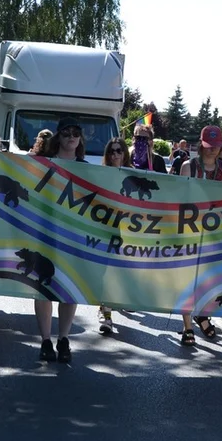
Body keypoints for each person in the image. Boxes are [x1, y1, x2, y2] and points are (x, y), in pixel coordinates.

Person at [34, 117, 87, 361]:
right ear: (58, 136)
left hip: (73, 237)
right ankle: (45, 340)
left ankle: (63, 338)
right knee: (43, 287)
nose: (71, 136)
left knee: (69, 290)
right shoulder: (43, 164)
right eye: (66, 132)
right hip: (44, 232)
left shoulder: (88, 169)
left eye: (76, 132)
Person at [178, 125, 222, 344]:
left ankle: (202, 313)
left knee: (207, 278)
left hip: (213, 231)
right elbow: (181, 199)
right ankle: (187, 325)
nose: (212, 150)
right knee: (188, 278)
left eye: (215, 147)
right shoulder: (189, 167)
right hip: (190, 229)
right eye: (208, 146)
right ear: (201, 145)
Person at [97, 137, 129, 333]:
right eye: (111, 151)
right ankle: (106, 314)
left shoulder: (134, 175)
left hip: (132, 231)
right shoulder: (100, 174)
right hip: (107, 229)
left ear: (125, 153)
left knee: (120, 273)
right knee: (106, 272)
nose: (115, 154)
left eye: (118, 150)